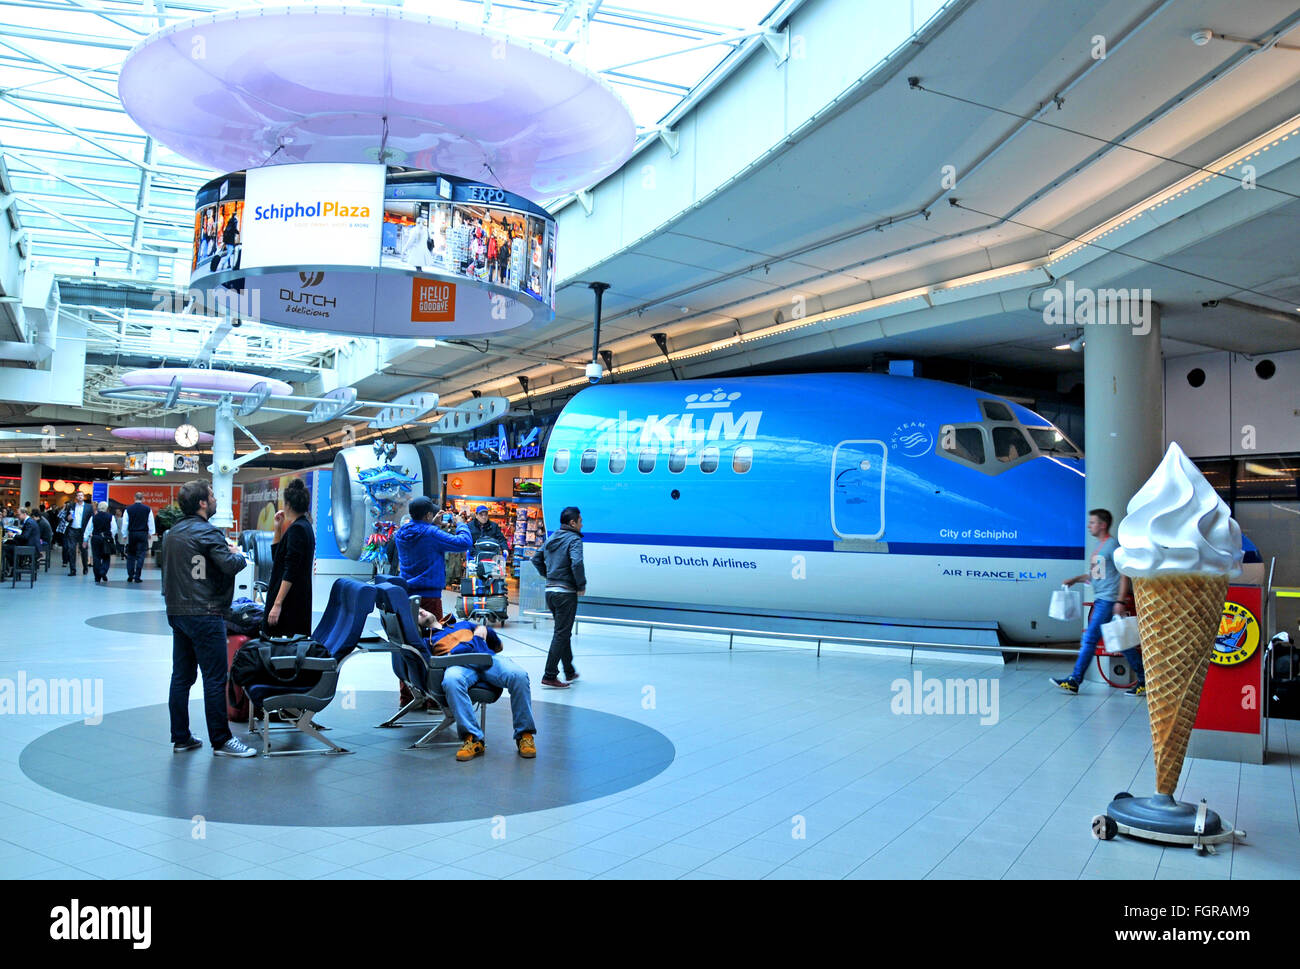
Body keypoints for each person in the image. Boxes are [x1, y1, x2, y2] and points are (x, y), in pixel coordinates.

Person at [161, 479, 256, 757]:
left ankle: (181, 737)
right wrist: (238, 556)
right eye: (212, 495)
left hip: (178, 613)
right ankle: (222, 740)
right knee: (215, 678)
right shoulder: (208, 533)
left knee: (181, 677)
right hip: (206, 613)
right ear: (202, 503)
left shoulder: (172, 534)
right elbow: (228, 566)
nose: (215, 499)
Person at [415, 608, 536, 761]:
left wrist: (485, 629)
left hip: (485, 659)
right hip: (458, 665)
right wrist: (473, 643)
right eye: (417, 614)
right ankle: (473, 738)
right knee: (451, 681)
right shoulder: (427, 641)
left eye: (422, 609)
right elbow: (435, 663)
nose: (422, 612)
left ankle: (524, 734)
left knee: (519, 676)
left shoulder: (463, 624)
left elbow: (497, 645)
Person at [1051, 508, 1142, 696]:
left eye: (1092, 522)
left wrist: (1120, 601)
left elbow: (1124, 574)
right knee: (1121, 642)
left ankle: (1075, 680)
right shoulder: (1100, 547)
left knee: (1090, 639)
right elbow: (1096, 575)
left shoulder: (1112, 546)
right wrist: (1075, 579)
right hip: (1102, 600)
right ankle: (1143, 680)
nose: (1088, 526)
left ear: (1102, 524)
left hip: (1108, 601)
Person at [531, 505, 585, 689]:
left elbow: (535, 558)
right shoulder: (574, 539)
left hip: (551, 591)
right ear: (573, 522)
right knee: (561, 633)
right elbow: (577, 562)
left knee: (563, 632)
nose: (582, 524)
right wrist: (581, 584)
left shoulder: (553, 537)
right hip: (565, 593)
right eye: (580, 521)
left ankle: (569, 670)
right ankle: (550, 675)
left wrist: (549, 575)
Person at [395, 496, 473, 620]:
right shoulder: (431, 533)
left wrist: (432, 524)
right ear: (427, 515)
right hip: (430, 597)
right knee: (433, 635)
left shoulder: (401, 533)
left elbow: (421, 539)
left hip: (407, 593)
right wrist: (461, 524)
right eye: (432, 514)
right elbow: (465, 542)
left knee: (414, 631)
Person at [264, 478, 315, 637]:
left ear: (287, 505)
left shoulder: (298, 529)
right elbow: (278, 558)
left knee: (281, 651)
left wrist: (277, 604)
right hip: (294, 600)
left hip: (290, 604)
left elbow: (290, 570)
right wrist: (278, 528)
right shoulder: (302, 526)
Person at [123, 492, 156, 583]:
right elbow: (151, 522)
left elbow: (125, 523)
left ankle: (130, 575)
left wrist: (124, 534)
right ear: (143, 498)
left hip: (132, 534)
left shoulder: (128, 509)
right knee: (141, 555)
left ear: (134, 498)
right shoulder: (147, 509)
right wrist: (150, 533)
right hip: (143, 534)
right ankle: (137, 576)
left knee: (131, 555)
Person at [2, 506, 39, 576]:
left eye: (19, 514)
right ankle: (14, 567)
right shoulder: (29, 521)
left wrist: (13, 535)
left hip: (29, 546)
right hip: (30, 544)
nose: (18, 516)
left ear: (24, 514)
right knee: (9, 543)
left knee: (6, 548)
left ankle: (13, 567)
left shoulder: (29, 522)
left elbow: (25, 537)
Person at [62, 492, 91, 576]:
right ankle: (73, 570)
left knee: (83, 550)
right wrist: (68, 518)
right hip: (72, 530)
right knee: (71, 550)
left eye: (81, 495)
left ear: (83, 497)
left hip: (83, 531)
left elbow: (91, 520)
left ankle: (85, 567)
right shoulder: (71, 506)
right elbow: (66, 518)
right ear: (76, 497)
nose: (80, 497)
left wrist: (90, 531)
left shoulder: (88, 507)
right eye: (78, 496)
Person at [89, 500, 114, 583]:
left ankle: (97, 577)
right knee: (106, 557)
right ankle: (103, 571)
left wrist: (85, 539)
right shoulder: (110, 517)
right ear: (106, 508)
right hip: (106, 538)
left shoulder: (94, 517)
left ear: (99, 508)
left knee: (96, 557)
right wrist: (111, 536)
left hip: (95, 538)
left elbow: (89, 528)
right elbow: (114, 529)